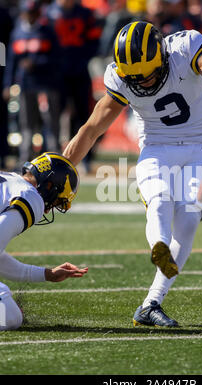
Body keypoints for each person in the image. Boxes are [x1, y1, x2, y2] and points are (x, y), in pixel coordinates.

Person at [63, 21, 202, 327]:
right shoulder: (121, 76)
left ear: (162, 56)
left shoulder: (185, 48)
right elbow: (92, 129)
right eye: (136, 78)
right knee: (159, 200)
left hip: (199, 146)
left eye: (148, 74)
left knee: (187, 218)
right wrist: (62, 166)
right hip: (156, 148)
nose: (143, 83)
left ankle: (151, 303)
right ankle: (159, 247)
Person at [0, 152, 88, 330]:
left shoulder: (9, 179)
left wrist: (47, 274)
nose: (48, 210)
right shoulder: (31, 196)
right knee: (9, 316)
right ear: (49, 185)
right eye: (55, 202)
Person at [45, 0, 102, 173]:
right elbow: (44, 39)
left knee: (83, 115)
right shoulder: (49, 12)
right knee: (52, 115)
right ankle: (51, 158)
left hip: (79, 71)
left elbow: (94, 40)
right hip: (56, 74)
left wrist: (81, 60)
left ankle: (85, 158)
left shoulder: (85, 13)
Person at [3, 0, 62, 166]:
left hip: (46, 85)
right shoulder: (17, 33)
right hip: (26, 85)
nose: (29, 16)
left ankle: (53, 159)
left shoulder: (47, 31)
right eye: (27, 13)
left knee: (50, 123)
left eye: (33, 13)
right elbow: (11, 63)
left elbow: (57, 58)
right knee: (27, 124)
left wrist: (37, 63)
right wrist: (8, 84)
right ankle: (25, 160)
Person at [0, 6, 13, 170]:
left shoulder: (4, 14)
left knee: (2, 119)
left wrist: (7, 82)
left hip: (1, 73)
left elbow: (8, 49)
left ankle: (3, 156)